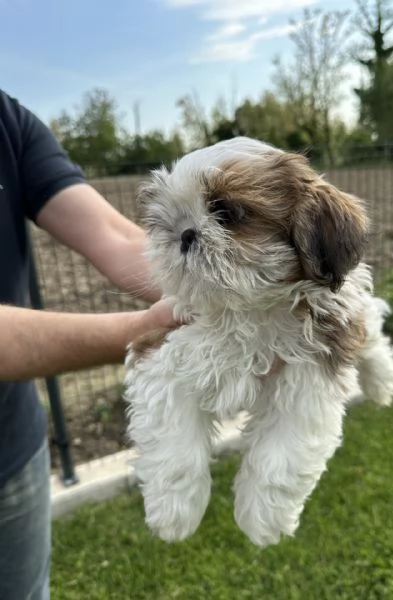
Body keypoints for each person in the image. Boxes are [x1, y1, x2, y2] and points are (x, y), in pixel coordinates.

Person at [0, 88, 182, 599]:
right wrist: (145, 331)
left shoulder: (7, 120)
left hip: (13, 452)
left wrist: (234, 287)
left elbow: (117, 237)